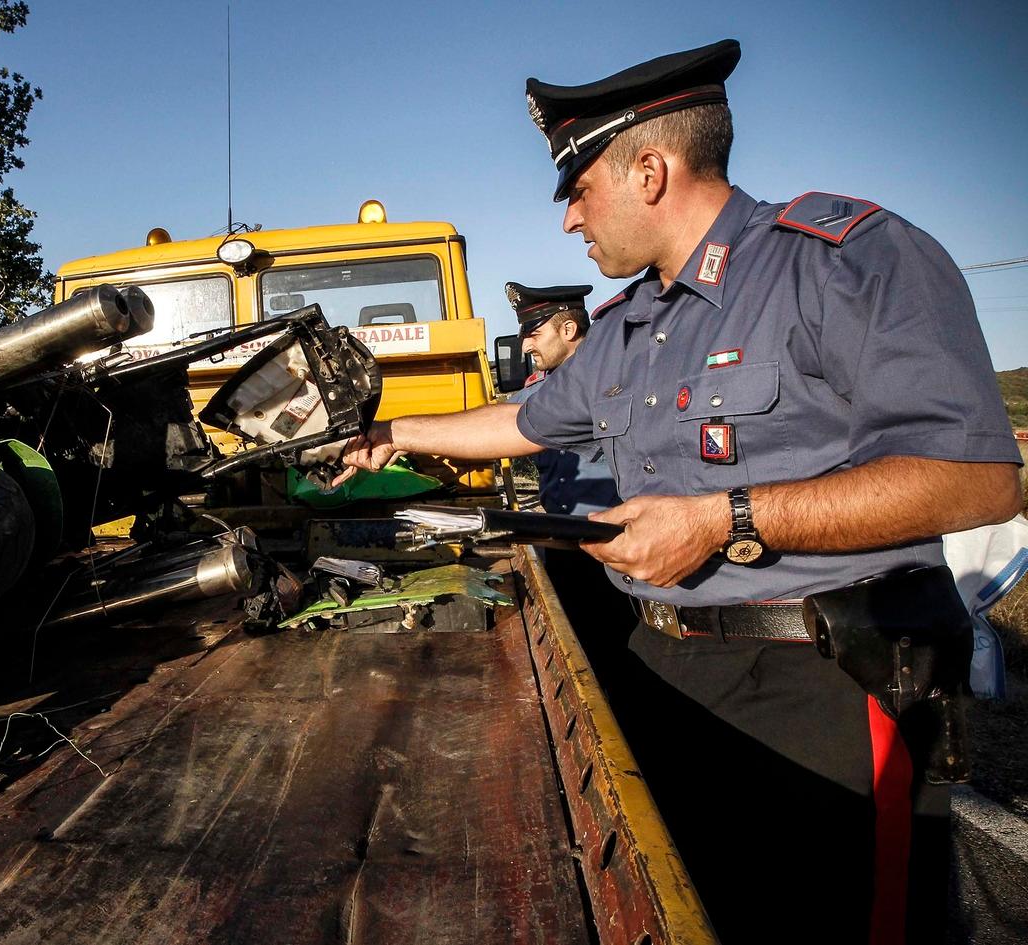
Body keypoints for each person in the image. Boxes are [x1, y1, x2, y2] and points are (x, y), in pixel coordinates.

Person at [336, 38, 1022, 944]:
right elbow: (523, 423)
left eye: (578, 191)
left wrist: (723, 520)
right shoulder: (631, 327)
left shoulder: (843, 263)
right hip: (660, 666)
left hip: (822, 685)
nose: (570, 222)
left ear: (649, 170)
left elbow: (977, 479)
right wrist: (392, 435)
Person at [505, 282, 619, 515]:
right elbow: (493, 425)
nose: (525, 346)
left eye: (534, 334)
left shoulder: (618, 380)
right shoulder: (535, 392)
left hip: (614, 536)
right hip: (560, 533)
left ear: (568, 330)